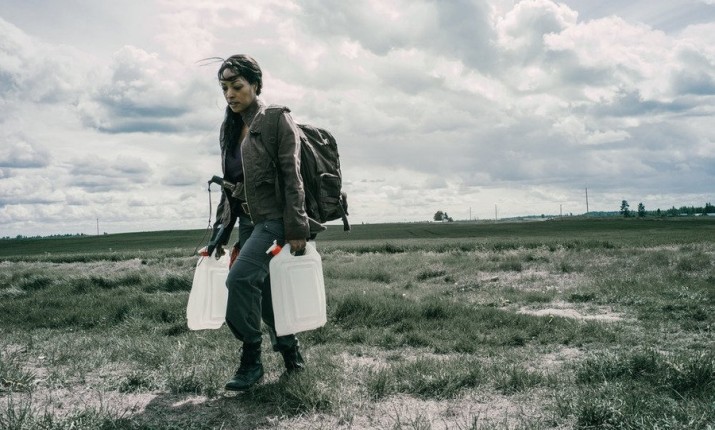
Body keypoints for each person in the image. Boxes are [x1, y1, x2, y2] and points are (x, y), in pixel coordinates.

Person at [206, 54, 310, 391]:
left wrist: (296, 228)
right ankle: (291, 353)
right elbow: (230, 187)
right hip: (248, 223)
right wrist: (219, 235)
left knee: (240, 280)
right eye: (224, 88)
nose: (229, 94)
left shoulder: (276, 119)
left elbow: (293, 178)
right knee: (263, 292)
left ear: (255, 84)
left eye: (236, 86)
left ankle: (251, 358)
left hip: (275, 224)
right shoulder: (230, 128)